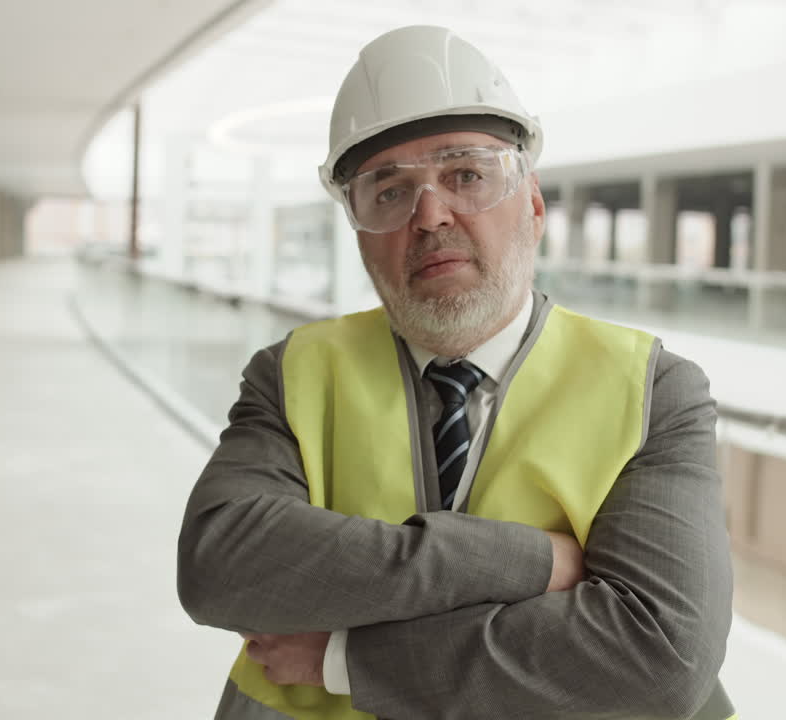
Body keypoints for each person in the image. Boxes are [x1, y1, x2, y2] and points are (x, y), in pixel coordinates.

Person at [176, 25, 736, 720]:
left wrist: (343, 659)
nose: (430, 215)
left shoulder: (652, 390)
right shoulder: (292, 373)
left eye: (466, 175)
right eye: (388, 191)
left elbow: (659, 659)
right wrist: (532, 562)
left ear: (533, 206)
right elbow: (220, 566)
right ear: (359, 234)